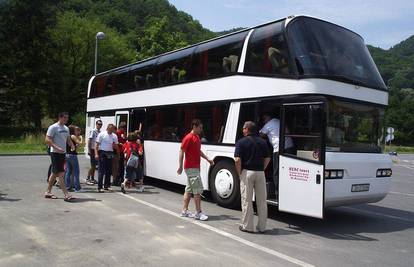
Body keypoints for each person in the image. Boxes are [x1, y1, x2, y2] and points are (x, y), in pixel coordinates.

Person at [235, 121, 271, 233]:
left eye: (243, 128)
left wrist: (239, 173)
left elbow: (237, 160)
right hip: (260, 173)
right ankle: (262, 227)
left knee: (247, 200)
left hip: (247, 172)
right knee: (262, 201)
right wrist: (262, 169)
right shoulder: (263, 142)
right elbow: (268, 158)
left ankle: (247, 226)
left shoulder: (241, 142)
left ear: (246, 129)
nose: (242, 130)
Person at [177, 119, 214, 221]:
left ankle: (184, 211)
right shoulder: (188, 138)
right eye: (200, 127)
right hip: (191, 167)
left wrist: (208, 159)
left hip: (194, 167)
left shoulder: (197, 137)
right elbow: (181, 151)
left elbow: (198, 151)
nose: (201, 129)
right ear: (194, 127)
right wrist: (180, 166)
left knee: (189, 190)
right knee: (197, 190)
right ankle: (198, 213)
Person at [44, 112, 76, 201]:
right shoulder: (53, 127)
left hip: (62, 153)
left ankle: (48, 192)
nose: (67, 119)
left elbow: (68, 139)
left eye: (67, 118)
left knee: (54, 173)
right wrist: (57, 147)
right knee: (61, 174)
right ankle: (66, 194)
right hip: (55, 153)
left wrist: (72, 145)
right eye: (65, 117)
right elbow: (47, 140)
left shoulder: (66, 128)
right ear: (60, 117)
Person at [259, 113, 294, 195]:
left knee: (276, 171)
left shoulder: (268, 124)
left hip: (279, 148)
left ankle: (277, 192)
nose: (264, 121)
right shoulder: (278, 121)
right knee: (287, 170)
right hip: (290, 146)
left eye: (264, 120)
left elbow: (261, 135)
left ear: (267, 118)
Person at [95, 124, 118, 193]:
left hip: (110, 153)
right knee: (101, 171)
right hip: (102, 153)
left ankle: (107, 186)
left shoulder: (114, 136)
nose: (111, 130)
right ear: (107, 128)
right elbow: (96, 145)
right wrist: (96, 154)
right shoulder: (102, 134)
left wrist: (115, 147)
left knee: (109, 171)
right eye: (110, 129)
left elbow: (116, 146)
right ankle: (99, 187)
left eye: (112, 129)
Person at [64, 125, 82, 192]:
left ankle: (68, 187)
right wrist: (80, 138)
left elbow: (73, 145)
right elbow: (79, 142)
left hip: (67, 154)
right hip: (72, 155)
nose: (76, 130)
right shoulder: (73, 136)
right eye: (75, 129)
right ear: (72, 130)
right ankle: (77, 187)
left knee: (68, 171)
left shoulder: (67, 136)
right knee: (76, 171)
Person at [86, 119, 102, 185]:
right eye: (98, 124)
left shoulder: (100, 132)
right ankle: (88, 178)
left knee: (95, 165)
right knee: (93, 165)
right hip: (92, 149)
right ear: (96, 124)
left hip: (97, 150)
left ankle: (92, 178)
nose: (100, 125)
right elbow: (89, 140)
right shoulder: (93, 131)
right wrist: (89, 150)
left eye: (101, 124)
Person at [114, 122, 127, 186]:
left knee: (122, 167)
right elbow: (115, 141)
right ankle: (116, 180)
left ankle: (121, 179)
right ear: (120, 127)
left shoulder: (123, 133)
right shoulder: (117, 133)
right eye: (123, 127)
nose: (124, 129)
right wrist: (120, 143)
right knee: (118, 167)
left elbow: (124, 140)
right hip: (118, 151)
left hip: (122, 151)